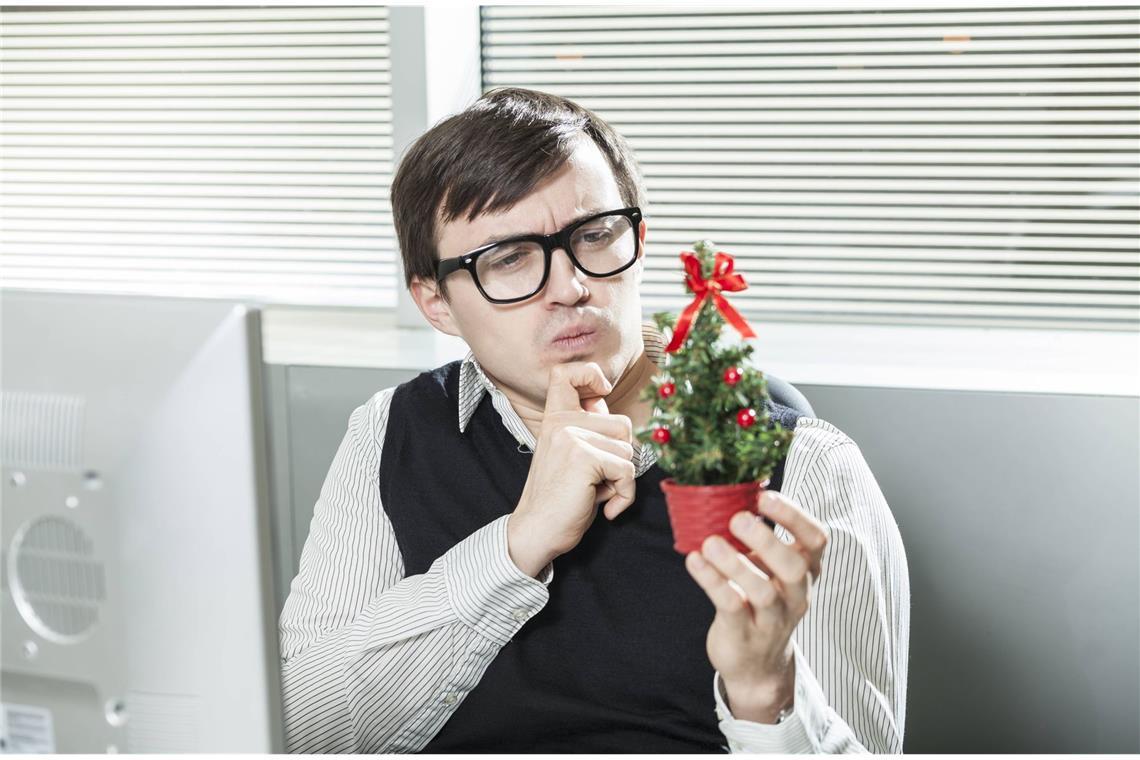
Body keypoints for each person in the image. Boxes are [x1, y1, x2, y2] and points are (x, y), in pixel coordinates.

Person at [277, 87, 910, 753]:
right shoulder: (388, 433)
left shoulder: (806, 464)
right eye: (508, 258)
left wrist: (764, 695)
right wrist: (516, 546)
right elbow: (302, 733)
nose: (570, 286)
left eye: (595, 235)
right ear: (436, 303)